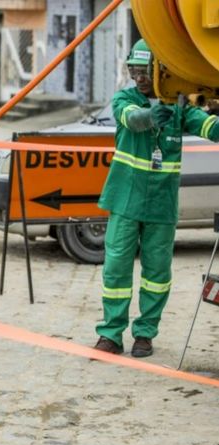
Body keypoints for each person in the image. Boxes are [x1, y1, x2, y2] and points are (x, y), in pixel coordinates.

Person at [93, 39, 219, 357]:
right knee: (116, 269)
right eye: (134, 70)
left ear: (162, 70)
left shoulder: (181, 108)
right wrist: (152, 115)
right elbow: (133, 119)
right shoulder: (124, 98)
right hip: (125, 199)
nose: (139, 78)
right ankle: (110, 334)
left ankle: (145, 334)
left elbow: (211, 127)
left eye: (144, 71)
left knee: (157, 273)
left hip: (162, 204)